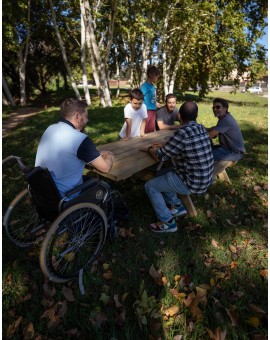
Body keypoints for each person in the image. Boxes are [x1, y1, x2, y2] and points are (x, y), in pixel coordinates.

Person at [144, 101, 214, 233]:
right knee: (161, 174)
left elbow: (159, 157)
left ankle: (167, 222)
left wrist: (149, 148)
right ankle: (177, 206)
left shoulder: (182, 133)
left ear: (179, 116)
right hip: (205, 178)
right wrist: (166, 144)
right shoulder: (201, 128)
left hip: (191, 183)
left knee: (150, 186)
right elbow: (180, 146)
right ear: (197, 115)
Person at [35, 98, 115, 198]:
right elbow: (105, 168)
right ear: (77, 116)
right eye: (86, 117)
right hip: (66, 196)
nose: (87, 120)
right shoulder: (79, 139)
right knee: (104, 188)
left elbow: (68, 153)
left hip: (44, 192)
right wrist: (109, 157)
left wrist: (94, 153)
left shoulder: (50, 128)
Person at [207, 97, 245, 162]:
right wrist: (201, 128)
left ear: (225, 108)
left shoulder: (226, 121)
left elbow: (209, 136)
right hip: (227, 148)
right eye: (213, 107)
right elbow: (214, 130)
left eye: (218, 107)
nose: (215, 109)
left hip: (234, 153)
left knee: (204, 156)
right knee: (207, 149)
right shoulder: (224, 117)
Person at [140, 65, 161, 133]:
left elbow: (151, 97)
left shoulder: (153, 86)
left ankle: (149, 142)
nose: (157, 78)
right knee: (144, 128)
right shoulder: (145, 86)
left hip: (153, 111)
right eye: (156, 76)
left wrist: (155, 103)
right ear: (150, 75)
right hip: (147, 111)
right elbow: (140, 97)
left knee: (151, 129)